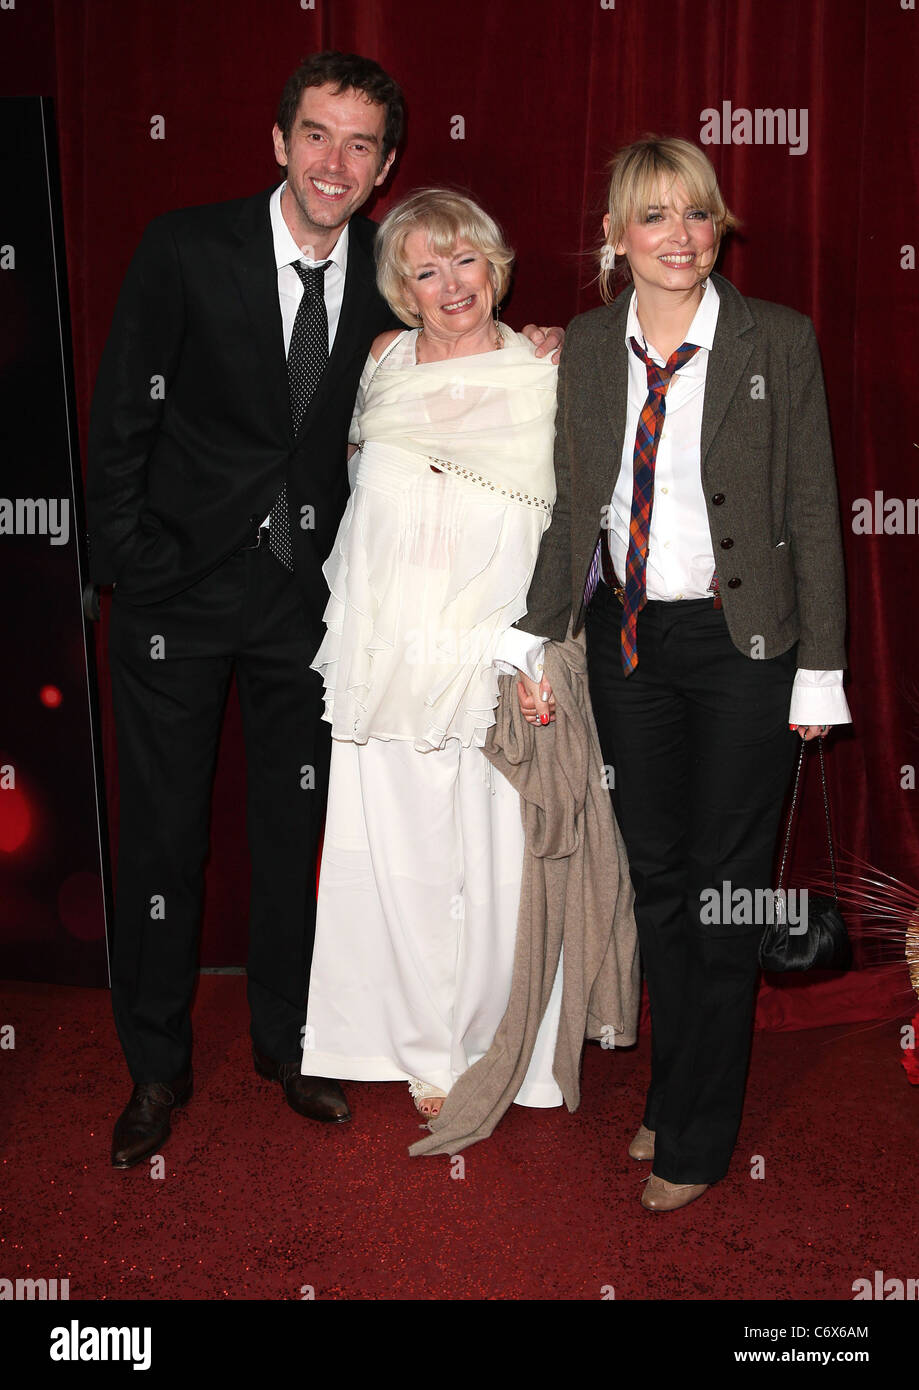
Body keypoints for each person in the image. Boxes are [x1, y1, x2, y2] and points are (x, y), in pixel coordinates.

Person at [87, 52, 562, 1169]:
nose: (333, 162)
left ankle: (290, 1048)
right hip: (175, 600)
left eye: (359, 144)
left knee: (296, 831)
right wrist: (133, 566)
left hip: (310, 609)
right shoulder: (186, 246)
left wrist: (546, 341)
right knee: (163, 838)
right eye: (315, 135)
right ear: (278, 140)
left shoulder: (391, 285)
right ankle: (154, 1067)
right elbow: (120, 417)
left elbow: (462, 361)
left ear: (386, 165)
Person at [518, 137, 851, 1210]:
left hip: (744, 649)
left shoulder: (776, 341)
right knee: (659, 884)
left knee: (721, 890)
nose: (679, 237)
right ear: (617, 238)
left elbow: (812, 510)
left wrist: (820, 673)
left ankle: (699, 1135)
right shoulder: (581, 344)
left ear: (719, 230)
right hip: (628, 646)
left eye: (697, 215)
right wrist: (530, 635)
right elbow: (574, 506)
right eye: (653, 217)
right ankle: (673, 1087)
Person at [301, 188, 567, 1120]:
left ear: (495, 265)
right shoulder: (377, 361)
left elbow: (578, 522)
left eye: (467, 260)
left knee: (497, 855)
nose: (451, 284)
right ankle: (411, 1048)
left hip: (496, 647)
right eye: (425, 269)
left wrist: (538, 645)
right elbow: (340, 487)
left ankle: (507, 1047)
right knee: (394, 849)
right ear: (402, 291)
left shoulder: (545, 363)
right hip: (384, 646)